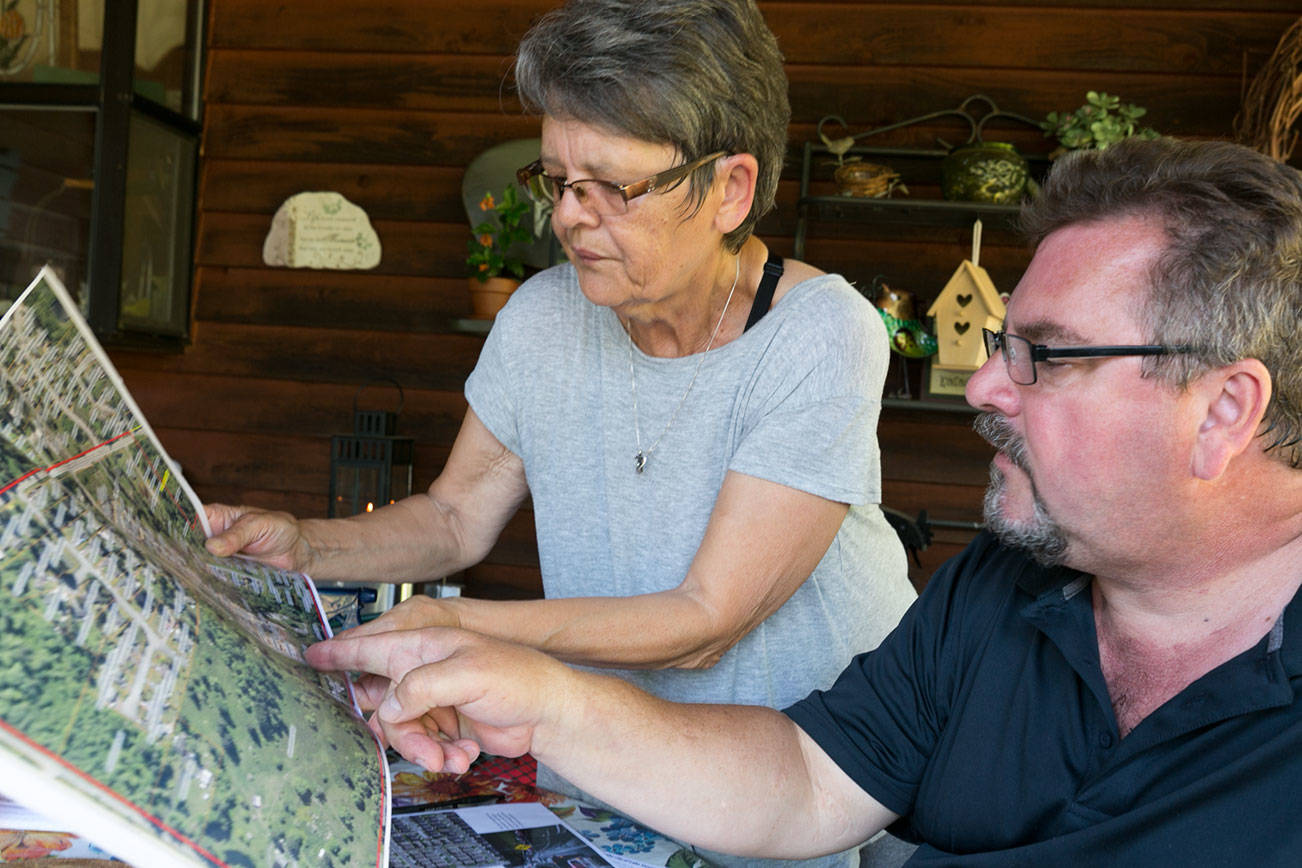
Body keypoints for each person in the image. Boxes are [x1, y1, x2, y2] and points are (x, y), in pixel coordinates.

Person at [305, 135, 1302, 865]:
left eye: (1043, 355)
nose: (991, 388)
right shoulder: (1002, 585)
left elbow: (707, 624)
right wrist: (544, 700)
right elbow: (812, 778)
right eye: (1001, 344)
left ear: (1223, 412)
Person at [205, 1, 915, 863]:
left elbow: (705, 621)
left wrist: (466, 635)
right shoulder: (545, 317)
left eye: (612, 186)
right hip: (618, 787)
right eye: (557, 182)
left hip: (810, 792)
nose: (570, 218)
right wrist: (304, 546)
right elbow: (452, 518)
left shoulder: (820, 331)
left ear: (730, 189)